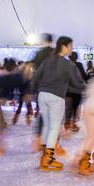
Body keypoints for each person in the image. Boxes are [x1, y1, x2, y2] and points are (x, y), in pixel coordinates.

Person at [31, 36, 85, 171]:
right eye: (70, 47)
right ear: (64, 47)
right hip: (56, 97)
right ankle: (48, 160)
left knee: (47, 126)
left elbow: (35, 78)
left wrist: (38, 89)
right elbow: (78, 83)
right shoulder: (68, 64)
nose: (71, 50)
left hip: (42, 95)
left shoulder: (47, 61)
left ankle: (45, 157)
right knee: (54, 128)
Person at [64, 51, 86, 132]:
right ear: (76, 58)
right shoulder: (79, 65)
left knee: (68, 107)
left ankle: (67, 123)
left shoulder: (65, 65)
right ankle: (73, 123)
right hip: (77, 90)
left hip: (67, 90)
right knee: (75, 108)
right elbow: (84, 76)